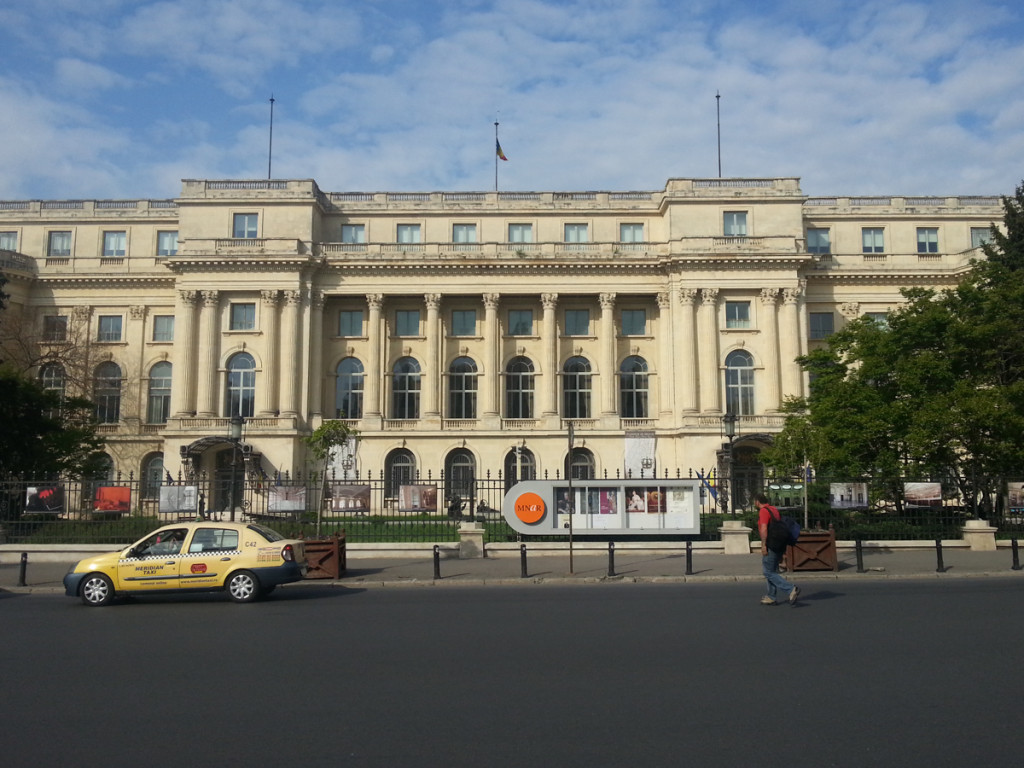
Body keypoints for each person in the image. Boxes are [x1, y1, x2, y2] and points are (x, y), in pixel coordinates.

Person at [754, 493, 800, 606]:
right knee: (772, 571)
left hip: (771, 544)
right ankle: (771, 596)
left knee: (767, 572)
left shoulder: (763, 511)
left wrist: (763, 545)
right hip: (779, 544)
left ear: (757, 502)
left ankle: (790, 589)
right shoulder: (773, 509)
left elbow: (764, 528)